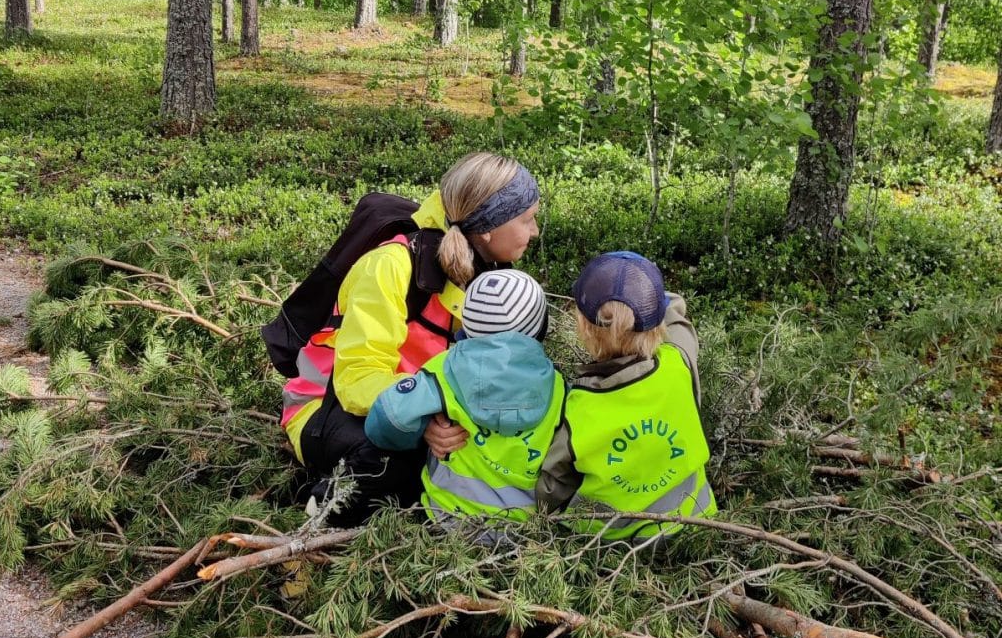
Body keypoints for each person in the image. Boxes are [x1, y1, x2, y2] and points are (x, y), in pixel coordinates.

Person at [284, 153, 541, 526]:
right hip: (325, 408)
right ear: (489, 227)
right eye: (527, 219)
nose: (534, 231)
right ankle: (323, 510)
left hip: (415, 402)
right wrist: (429, 418)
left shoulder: (489, 266)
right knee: (405, 460)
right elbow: (357, 381)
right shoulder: (391, 265)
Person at [535, 251, 716, 542]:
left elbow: (553, 486)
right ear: (657, 322)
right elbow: (678, 314)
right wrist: (642, 290)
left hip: (605, 543)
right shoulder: (679, 361)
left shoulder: (580, 405)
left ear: (583, 328)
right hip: (693, 523)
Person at [365, 269, 564, 523]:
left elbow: (387, 419)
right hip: (525, 528)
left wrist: (422, 431)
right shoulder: (558, 386)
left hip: (445, 517)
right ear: (540, 328)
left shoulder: (443, 370)